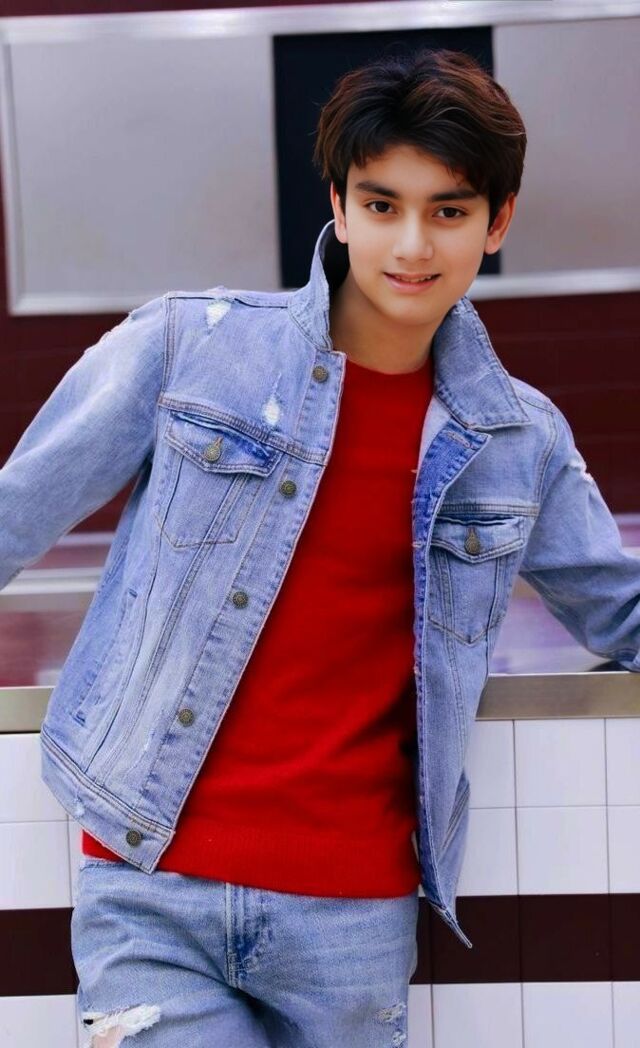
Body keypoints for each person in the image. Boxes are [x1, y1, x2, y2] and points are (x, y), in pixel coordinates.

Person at [2, 46, 639, 1048]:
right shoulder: (187, 347)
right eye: (382, 205)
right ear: (339, 207)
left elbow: (622, 611)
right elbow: (11, 516)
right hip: (152, 890)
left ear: (497, 222)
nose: (412, 244)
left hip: (352, 923)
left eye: (448, 210)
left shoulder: (520, 442)